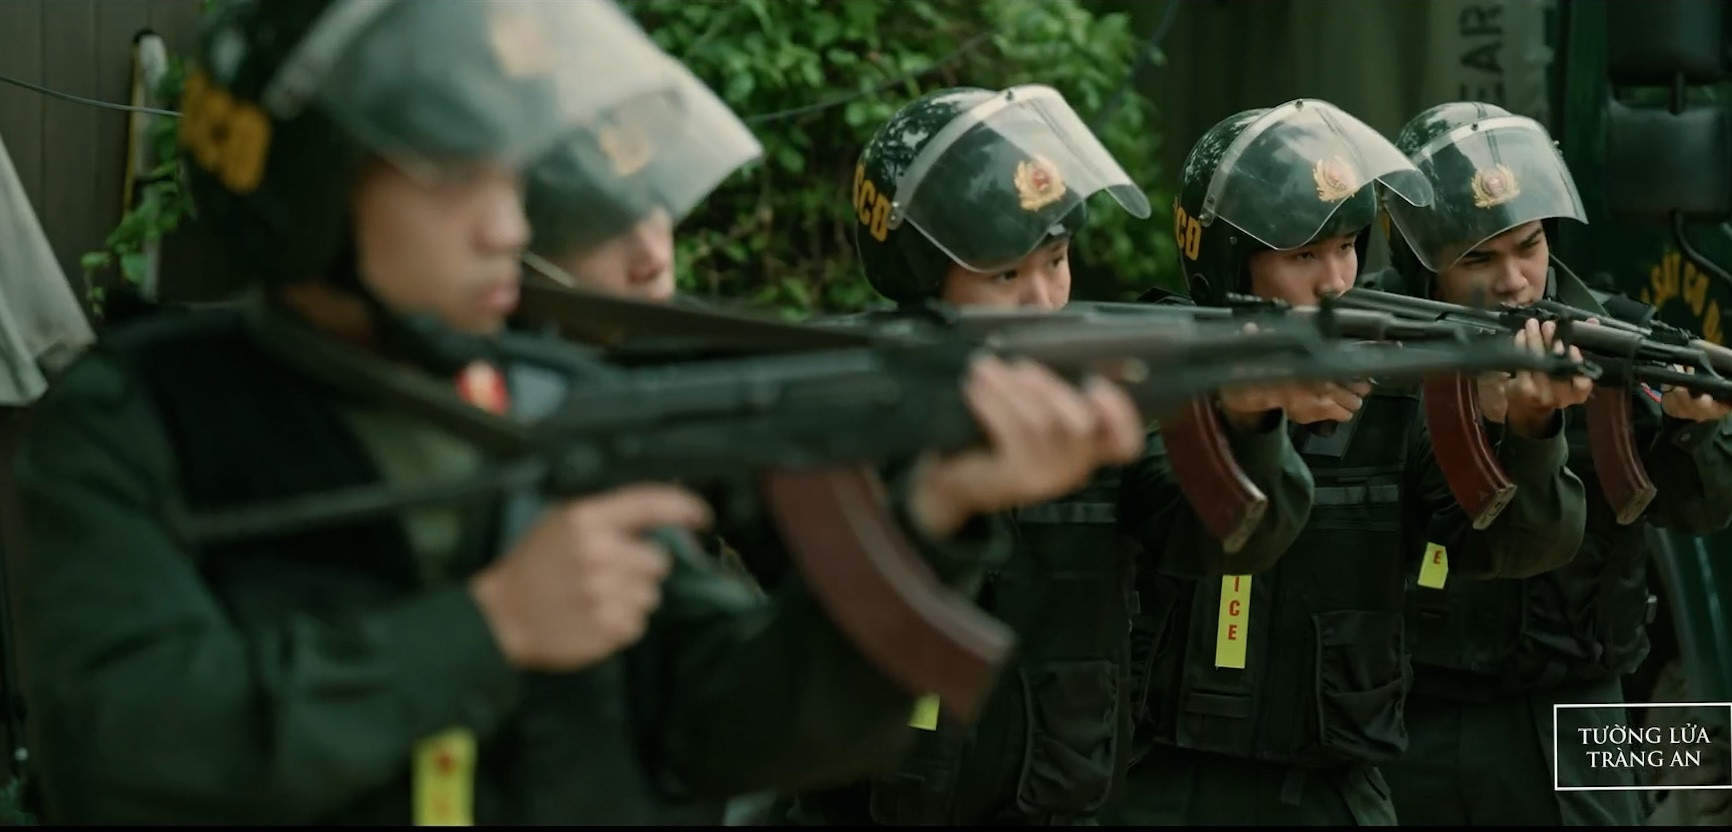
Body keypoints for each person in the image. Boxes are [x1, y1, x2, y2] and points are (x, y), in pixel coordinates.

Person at [9, 0, 1149, 824]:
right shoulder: (140, 418)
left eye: (515, 181)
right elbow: (123, 751)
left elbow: (747, 725)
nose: (509, 227)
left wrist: (933, 515)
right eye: (458, 180)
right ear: (311, 185)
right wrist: (491, 626)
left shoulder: (554, 402)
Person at [767, 82, 1318, 826]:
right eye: (1005, 274)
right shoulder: (850, 402)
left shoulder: (1097, 401)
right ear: (924, 278)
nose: (1043, 300)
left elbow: (1225, 537)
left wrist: (1249, 423)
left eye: (1055, 261)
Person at [1104, 98, 1592, 826]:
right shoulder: (1153, 371)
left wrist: (1533, 430)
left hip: (1330, 788)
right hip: (1160, 785)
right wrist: (1251, 416)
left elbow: (1513, 545)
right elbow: (1179, 520)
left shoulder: (1394, 391)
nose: (1336, 280)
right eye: (1303, 256)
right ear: (1228, 262)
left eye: (1346, 247)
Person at [1365, 100, 1732, 826]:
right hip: (1409, 707)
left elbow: (1701, 511)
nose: (1514, 280)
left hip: (1578, 705)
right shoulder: (1369, 346)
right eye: (1478, 258)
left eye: (1528, 246)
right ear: (1421, 258)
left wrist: (1691, 434)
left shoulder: (1613, 339)